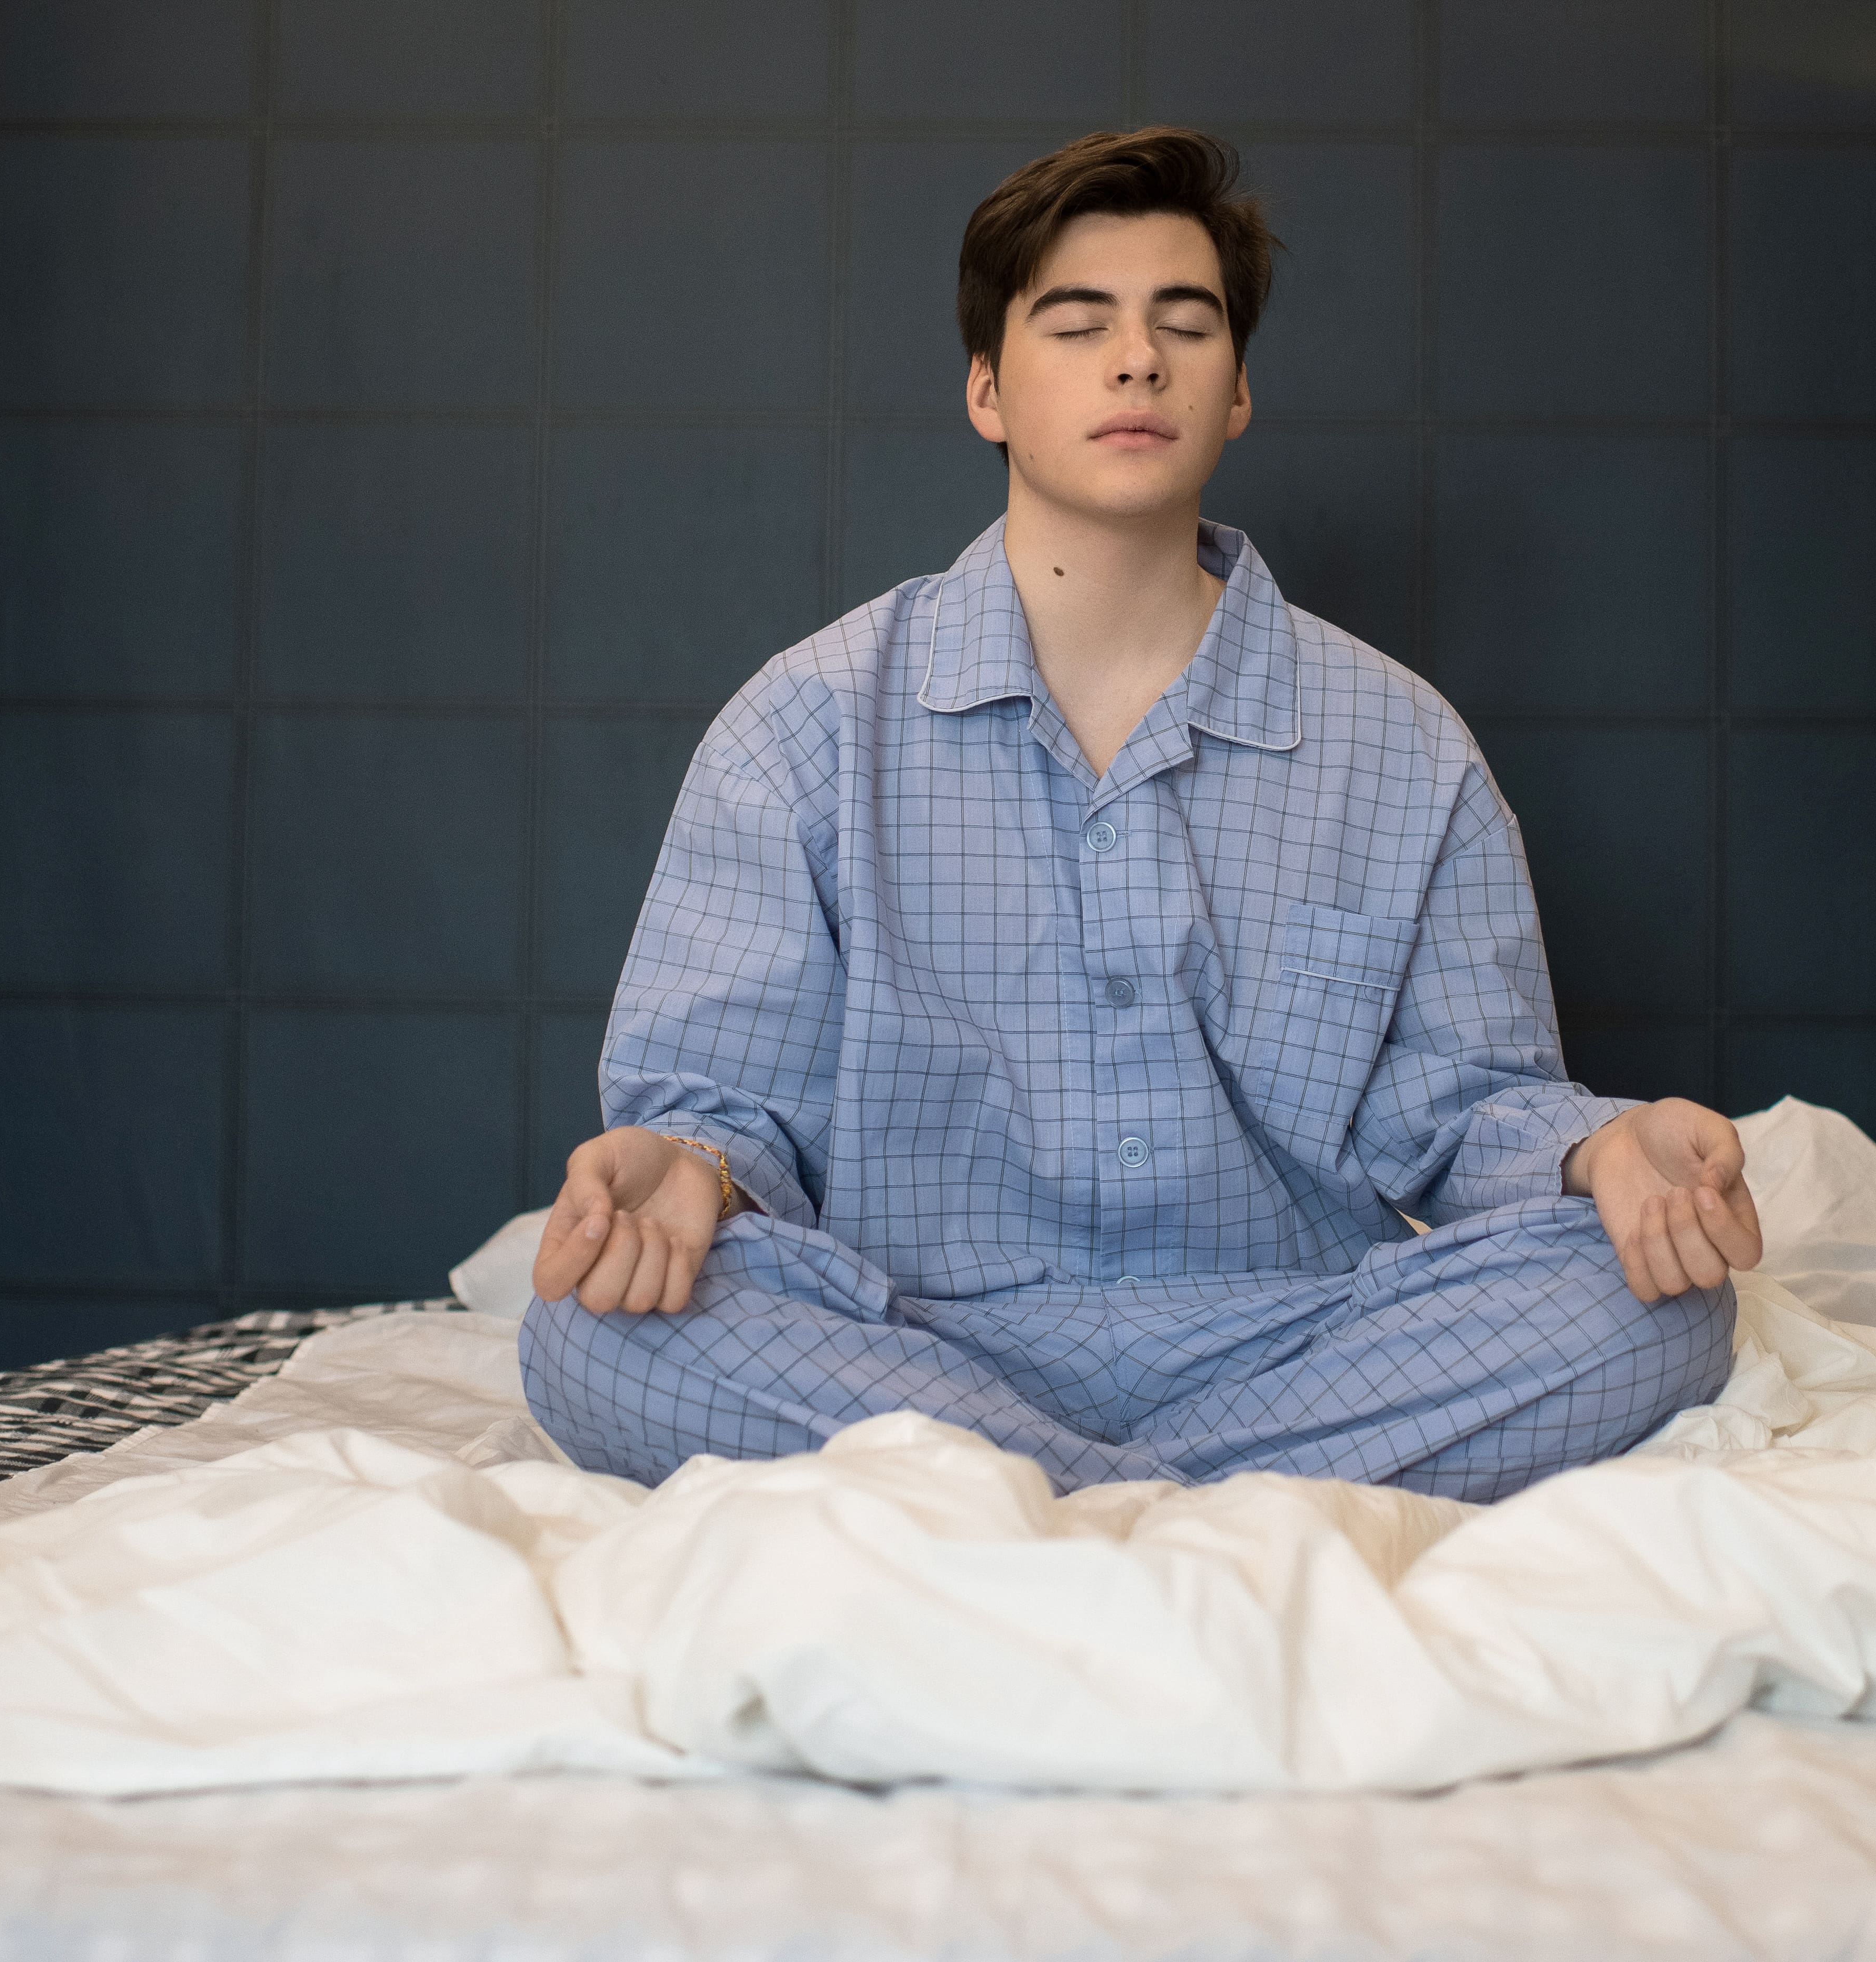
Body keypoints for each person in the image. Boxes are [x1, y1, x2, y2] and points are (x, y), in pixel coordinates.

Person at [519, 127, 1762, 1502]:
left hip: (1298, 1338)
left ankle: (1021, 1495)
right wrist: (682, 1168)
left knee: (1658, 1301)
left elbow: (1469, 1117)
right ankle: (1193, 1499)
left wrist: (1602, 1149)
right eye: (1078, 325)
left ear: (1237, 396)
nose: (1139, 361)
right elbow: (724, 1110)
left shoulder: (1404, 743)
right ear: (988, 389)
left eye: (1188, 325)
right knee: (587, 1330)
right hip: (912, 1338)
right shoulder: (803, 725)